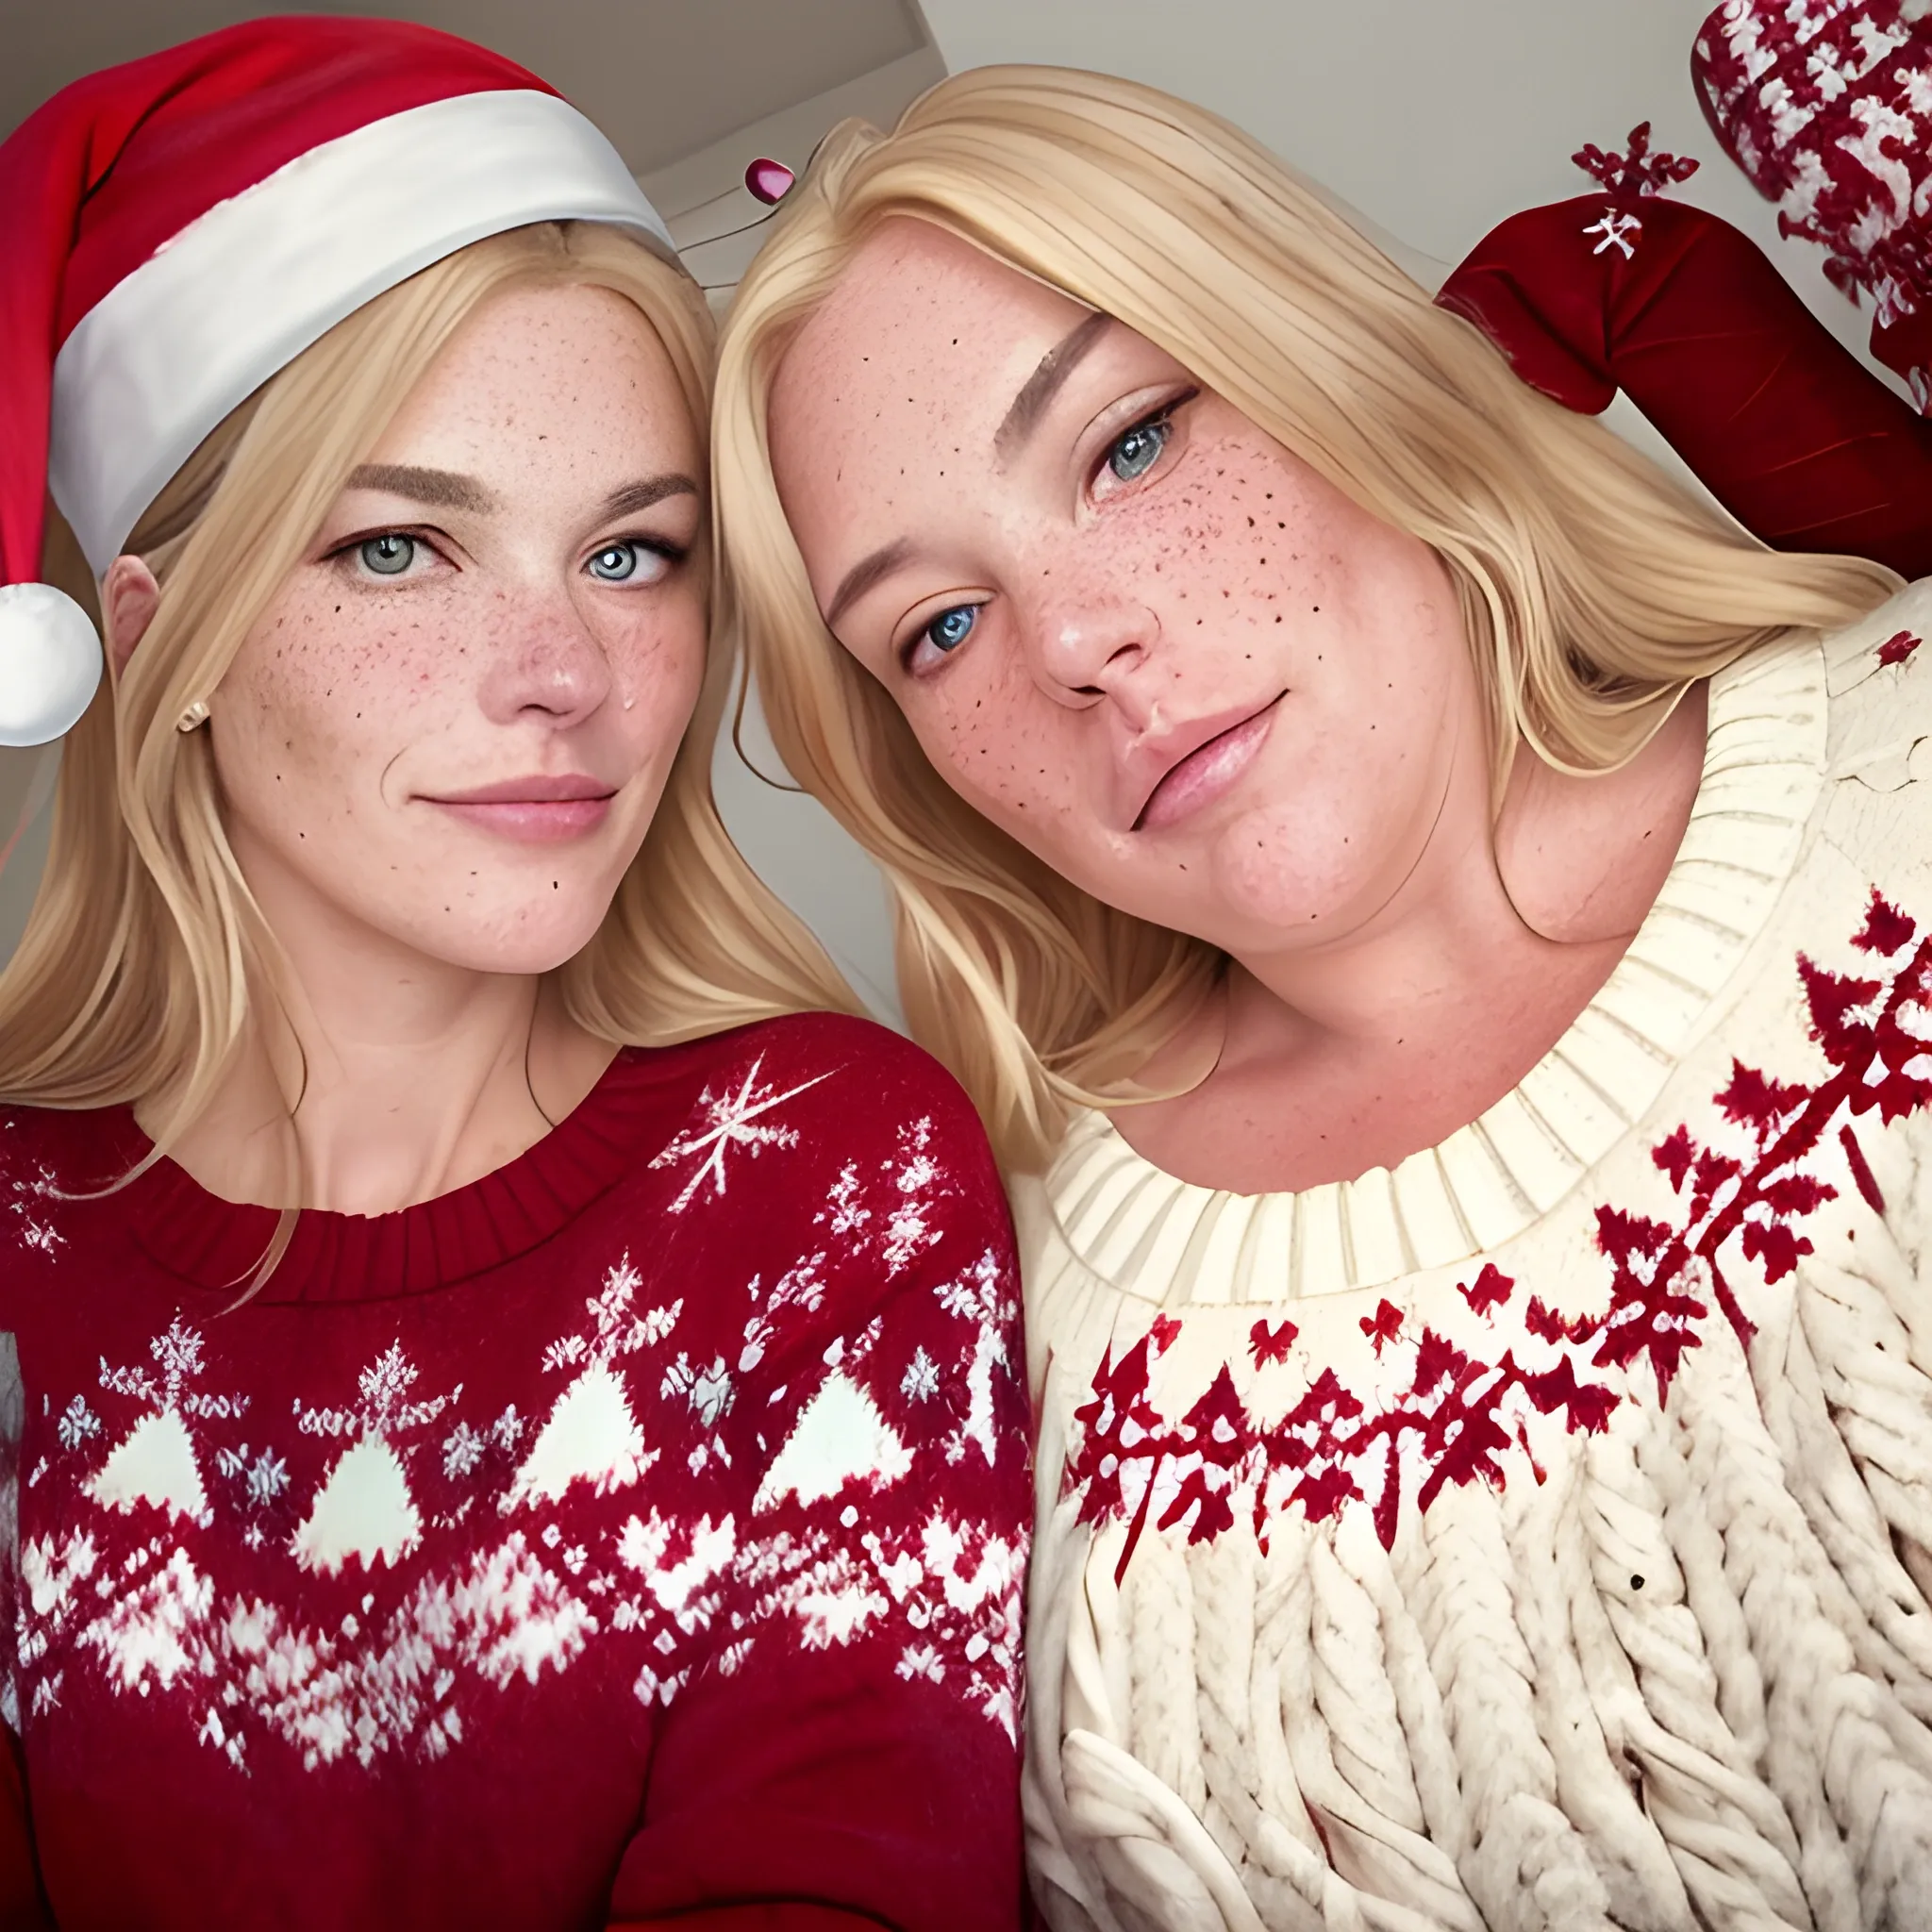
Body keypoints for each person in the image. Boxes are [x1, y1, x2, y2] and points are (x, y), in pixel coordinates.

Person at [711, 57, 1932, 1931]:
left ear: (1327, 366)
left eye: (1127, 443)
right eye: (935, 628)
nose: (1071, 646)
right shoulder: (993, 1385)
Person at [0, 21, 1028, 1930]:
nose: (560, 672)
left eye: (633, 554)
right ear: (162, 645)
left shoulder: (830, 1178)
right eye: (400, 549)